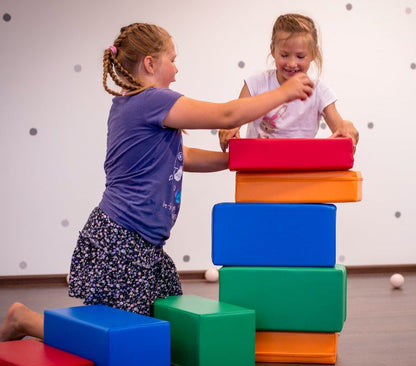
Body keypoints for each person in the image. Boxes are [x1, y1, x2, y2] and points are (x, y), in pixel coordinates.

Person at [0, 22, 314, 342]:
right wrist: (283, 93)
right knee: (118, 337)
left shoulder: (132, 103)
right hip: (123, 240)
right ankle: (25, 320)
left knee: (164, 319)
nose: (176, 70)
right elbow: (226, 116)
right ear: (150, 63)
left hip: (143, 241)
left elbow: (183, 156)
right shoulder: (151, 100)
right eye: (173, 60)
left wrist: (236, 160)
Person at [219, 13, 359, 152]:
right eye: (284, 55)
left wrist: (346, 126)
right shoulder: (256, 83)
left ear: (313, 54)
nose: (292, 63)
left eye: (300, 56)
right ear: (273, 50)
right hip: (259, 167)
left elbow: (340, 127)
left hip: (300, 168)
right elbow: (234, 116)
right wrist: (231, 127)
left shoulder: (320, 91)